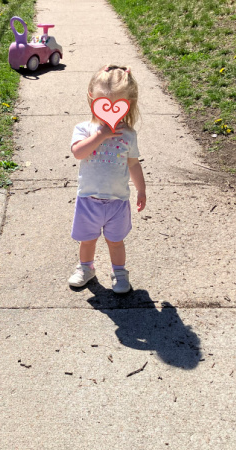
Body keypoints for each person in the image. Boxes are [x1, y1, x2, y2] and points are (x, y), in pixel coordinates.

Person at [68, 65, 147, 293]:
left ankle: (119, 272)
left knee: (115, 241)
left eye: (117, 105)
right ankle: (86, 268)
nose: (110, 110)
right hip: (88, 200)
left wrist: (141, 190)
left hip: (117, 202)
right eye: (104, 103)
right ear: (92, 98)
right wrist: (101, 135)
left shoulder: (128, 135)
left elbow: (133, 164)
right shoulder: (84, 129)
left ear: (128, 104)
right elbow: (78, 152)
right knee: (87, 240)